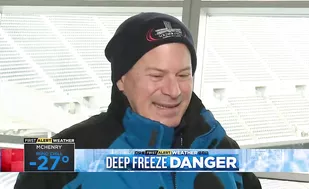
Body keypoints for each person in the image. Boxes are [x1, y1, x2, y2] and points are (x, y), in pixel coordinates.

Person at [14, 12, 262, 189]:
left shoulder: (222, 146)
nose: (173, 90)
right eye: (156, 75)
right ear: (121, 80)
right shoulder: (54, 156)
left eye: (183, 75)